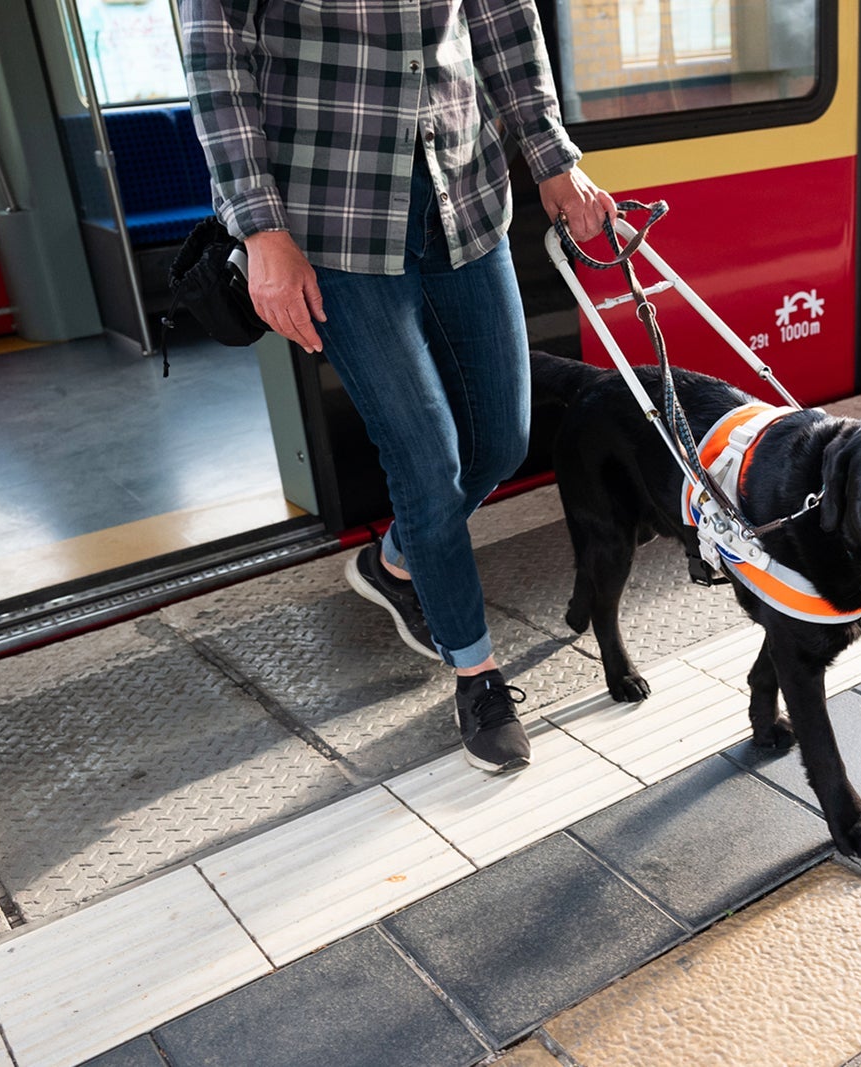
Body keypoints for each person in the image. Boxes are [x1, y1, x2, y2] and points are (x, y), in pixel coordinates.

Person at [178, 0, 614, 773]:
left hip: (465, 193)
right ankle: (476, 673)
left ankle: (396, 560)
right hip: (329, 217)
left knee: (502, 439)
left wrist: (551, 155)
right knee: (425, 460)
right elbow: (218, 59)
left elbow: (502, 16)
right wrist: (261, 229)